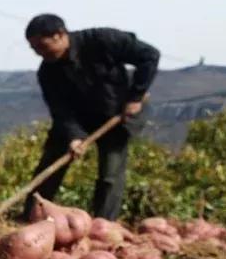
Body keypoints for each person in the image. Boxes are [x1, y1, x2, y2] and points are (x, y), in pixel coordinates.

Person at [23, 14, 160, 220]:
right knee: (50, 163)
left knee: (110, 175)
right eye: (34, 49)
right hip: (77, 120)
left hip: (116, 115)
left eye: (43, 46)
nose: (40, 54)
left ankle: (103, 224)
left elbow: (149, 55)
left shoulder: (103, 40)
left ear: (60, 35)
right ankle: (31, 215)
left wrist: (136, 96)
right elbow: (60, 111)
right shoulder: (47, 72)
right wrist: (74, 136)